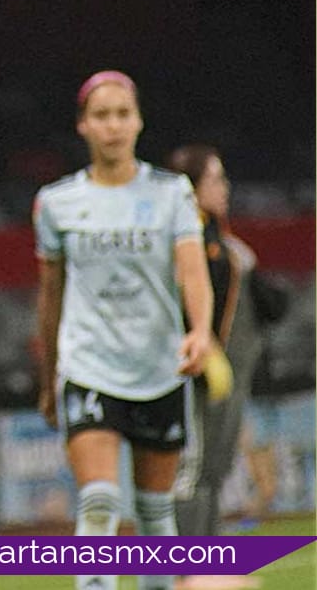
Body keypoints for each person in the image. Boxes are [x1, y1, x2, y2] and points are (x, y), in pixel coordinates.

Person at [34, 71, 214, 590]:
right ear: (83, 126)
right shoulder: (56, 202)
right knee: (99, 503)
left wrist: (199, 331)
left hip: (159, 367)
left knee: (156, 516)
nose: (113, 126)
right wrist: (48, 377)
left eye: (122, 114)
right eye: (101, 115)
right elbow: (50, 296)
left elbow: (191, 268)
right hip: (88, 365)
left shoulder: (171, 193)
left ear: (138, 122)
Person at [168, 145, 287, 590]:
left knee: (214, 468)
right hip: (195, 369)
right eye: (216, 179)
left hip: (228, 370)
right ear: (193, 189)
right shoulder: (187, 242)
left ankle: (209, 563)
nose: (225, 187)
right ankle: (186, 570)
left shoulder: (221, 240)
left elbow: (269, 305)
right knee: (194, 469)